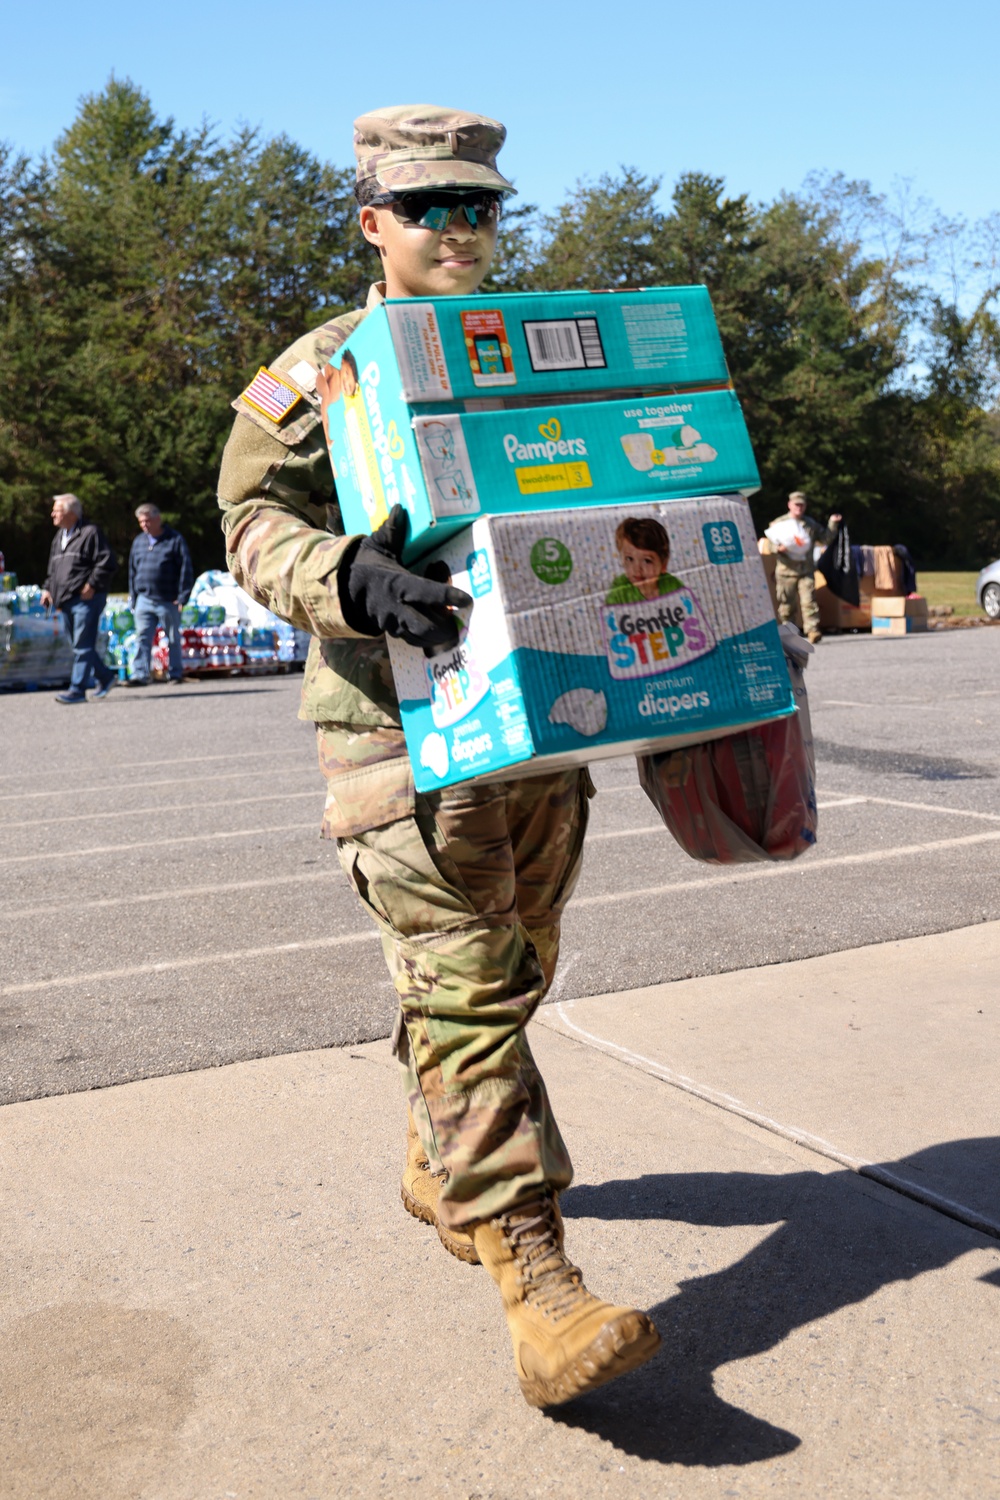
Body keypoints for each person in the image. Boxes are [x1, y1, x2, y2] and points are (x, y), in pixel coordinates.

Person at [217, 104, 661, 1409]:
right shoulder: (328, 369)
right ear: (374, 223)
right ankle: (539, 1287)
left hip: (537, 725)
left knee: (510, 976)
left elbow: (617, 492)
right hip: (394, 734)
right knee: (467, 994)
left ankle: (438, 1161)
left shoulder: (529, 358)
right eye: (431, 209)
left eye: (480, 208)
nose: (461, 231)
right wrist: (346, 575)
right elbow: (248, 523)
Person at [40, 494, 117, 704]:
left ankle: (77, 690)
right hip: (65, 599)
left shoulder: (90, 533)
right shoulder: (59, 538)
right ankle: (106, 676)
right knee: (78, 645)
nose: (52, 514)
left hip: (86, 599)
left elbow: (107, 562)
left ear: (71, 513)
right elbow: (53, 569)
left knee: (82, 645)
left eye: (57, 510)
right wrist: (48, 589)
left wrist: (91, 584)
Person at [127, 504, 194, 685]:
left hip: (167, 599)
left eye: (147, 520)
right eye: (141, 522)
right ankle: (140, 675)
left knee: (172, 638)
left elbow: (185, 569)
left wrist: (182, 596)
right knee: (142, 638)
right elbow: (132, 571)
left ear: (158, 519)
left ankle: (175, 673)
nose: (144, 525)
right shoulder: (139, 541)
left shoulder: (174, 539)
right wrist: (133, 597)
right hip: (144, 599)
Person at [766, 491, 842, 644]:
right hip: (786, 571)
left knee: (809, 601)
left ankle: (812, 631)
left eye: (802, 505)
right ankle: (789, 632)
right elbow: (768, 543)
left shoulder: (810, 524)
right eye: (796, 505)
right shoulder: (779, 523)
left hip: (806, 570)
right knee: (787, 605)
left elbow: (825, 538)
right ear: (789, 505)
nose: (799, 508)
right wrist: (777, 548)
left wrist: (833, 523)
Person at [606, 516, 683, 604]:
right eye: (629, 559)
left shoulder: (672, 585)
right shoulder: (620, 590)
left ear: (663, 564)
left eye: (647, 561)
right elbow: (610, 614)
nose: (637, 569)